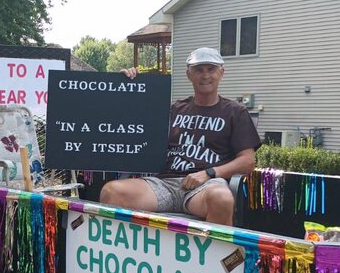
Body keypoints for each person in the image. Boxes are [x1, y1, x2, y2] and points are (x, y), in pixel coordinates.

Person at [100, 47, 260, 225]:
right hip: (164, 184)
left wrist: (209, 173)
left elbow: (248, 161)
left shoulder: (235, 112)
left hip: (205, 187)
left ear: (222, 73)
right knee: (111, 192)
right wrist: (129, 84)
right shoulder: (174, 109)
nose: (205, 75)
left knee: (221, 198)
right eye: (198, 70)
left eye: (211, 69)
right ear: (188, 74)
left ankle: (215, 253)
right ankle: (126, 252)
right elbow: (135, 123)